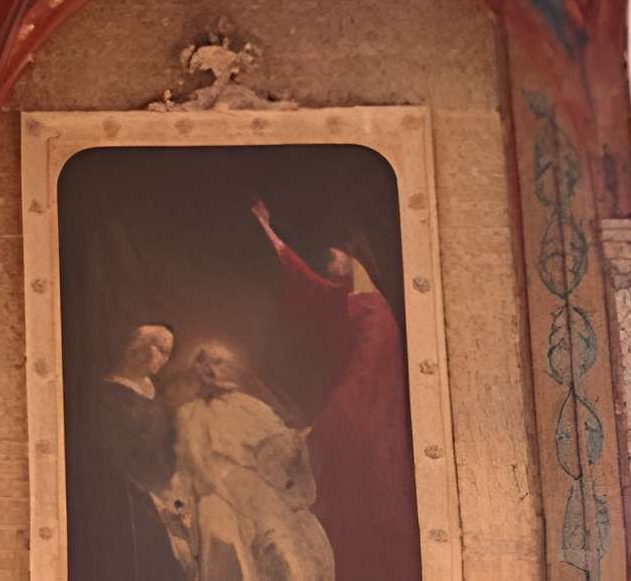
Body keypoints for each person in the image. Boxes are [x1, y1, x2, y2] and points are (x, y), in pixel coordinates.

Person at [252, 200, 418, 581]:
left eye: (332, 258)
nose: (328, 265)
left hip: (369, 427)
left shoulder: (375, 313)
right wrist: (269, 231)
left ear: (351, 257)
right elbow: (308, 285)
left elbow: (363, 375)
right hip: (356, 421)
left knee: (363, 511)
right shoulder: (348, 296)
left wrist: (325, 423)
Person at [168, 341, 336, 581]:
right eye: (202, 362)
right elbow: (184, 468)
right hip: (210, 497)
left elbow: (279, 451)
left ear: (232, 368)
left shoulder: (252, 407)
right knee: (219, 533)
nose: (209, 369)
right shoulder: (187, 415)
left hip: (253, 491)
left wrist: (297, 441)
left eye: (217, 362)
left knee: (285, 546)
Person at [72, 322, 186, 579]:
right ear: (137, 349)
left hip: (160, 486)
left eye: (168, 353)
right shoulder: (108, 395)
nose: (164, 359)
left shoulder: (154, 393)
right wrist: (150, 488)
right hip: (125, 492)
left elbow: (167, 443)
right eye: (161, 350)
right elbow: (113, 453)